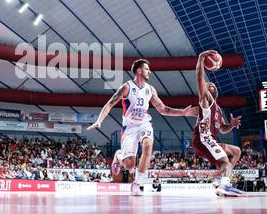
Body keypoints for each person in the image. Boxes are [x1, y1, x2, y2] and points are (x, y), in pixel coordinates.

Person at [87, 59, 197, 195]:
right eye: (146, 69)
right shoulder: (127, 87)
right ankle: (118, 155)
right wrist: (99, 121)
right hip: (130, 127)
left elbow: (162, 109)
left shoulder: (150, 89)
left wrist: (183, 113)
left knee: (147, 147)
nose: (149, 71)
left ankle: (137, 184)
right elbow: (110, 103)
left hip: (144, 123)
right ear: (139, 71)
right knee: (129, 165)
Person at [192, 50, 244, 197]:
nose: (210, 85)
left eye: (213, 85)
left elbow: (222, 129)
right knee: (225, 163)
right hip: (203, 138)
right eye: (208, 85)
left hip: (210, 139)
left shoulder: (218, 110)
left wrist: (232, 125)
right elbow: (200, 77)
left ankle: (223, 181)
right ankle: (225, 185)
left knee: (237, 151)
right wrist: (201, 58)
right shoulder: (205, 100)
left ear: (217, 92)